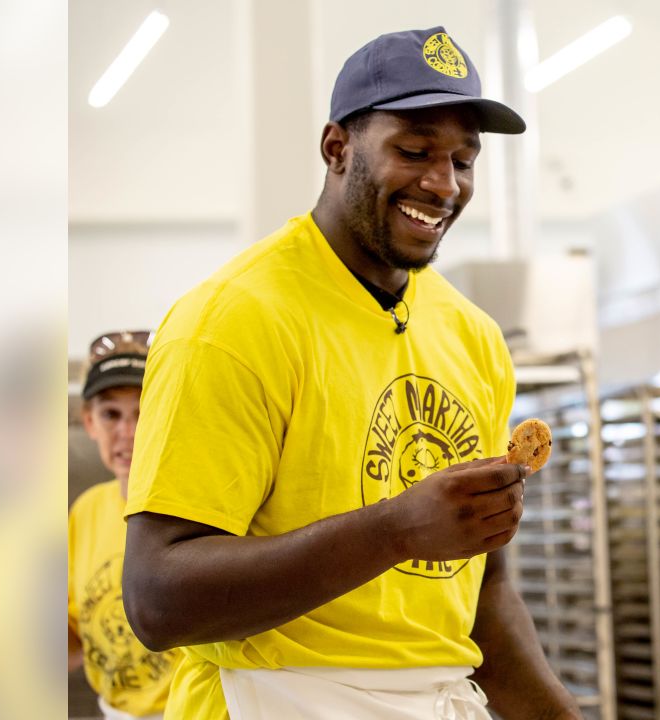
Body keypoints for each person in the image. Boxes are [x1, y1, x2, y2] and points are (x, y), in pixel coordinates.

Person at [120, 27, 579, 720]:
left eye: (463, 158)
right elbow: (158, 599)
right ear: (338, 149)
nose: (443, 183)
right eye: (414, 151)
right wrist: (397, 530)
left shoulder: (473, 337)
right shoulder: (232, 321)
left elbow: (484, 591)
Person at [69, 330, 180, 720]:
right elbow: (73, 636)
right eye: (111, 414)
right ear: (90, 422)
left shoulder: (191, 510)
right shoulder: (85, 510)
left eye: (143, 412)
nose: (128, 434)